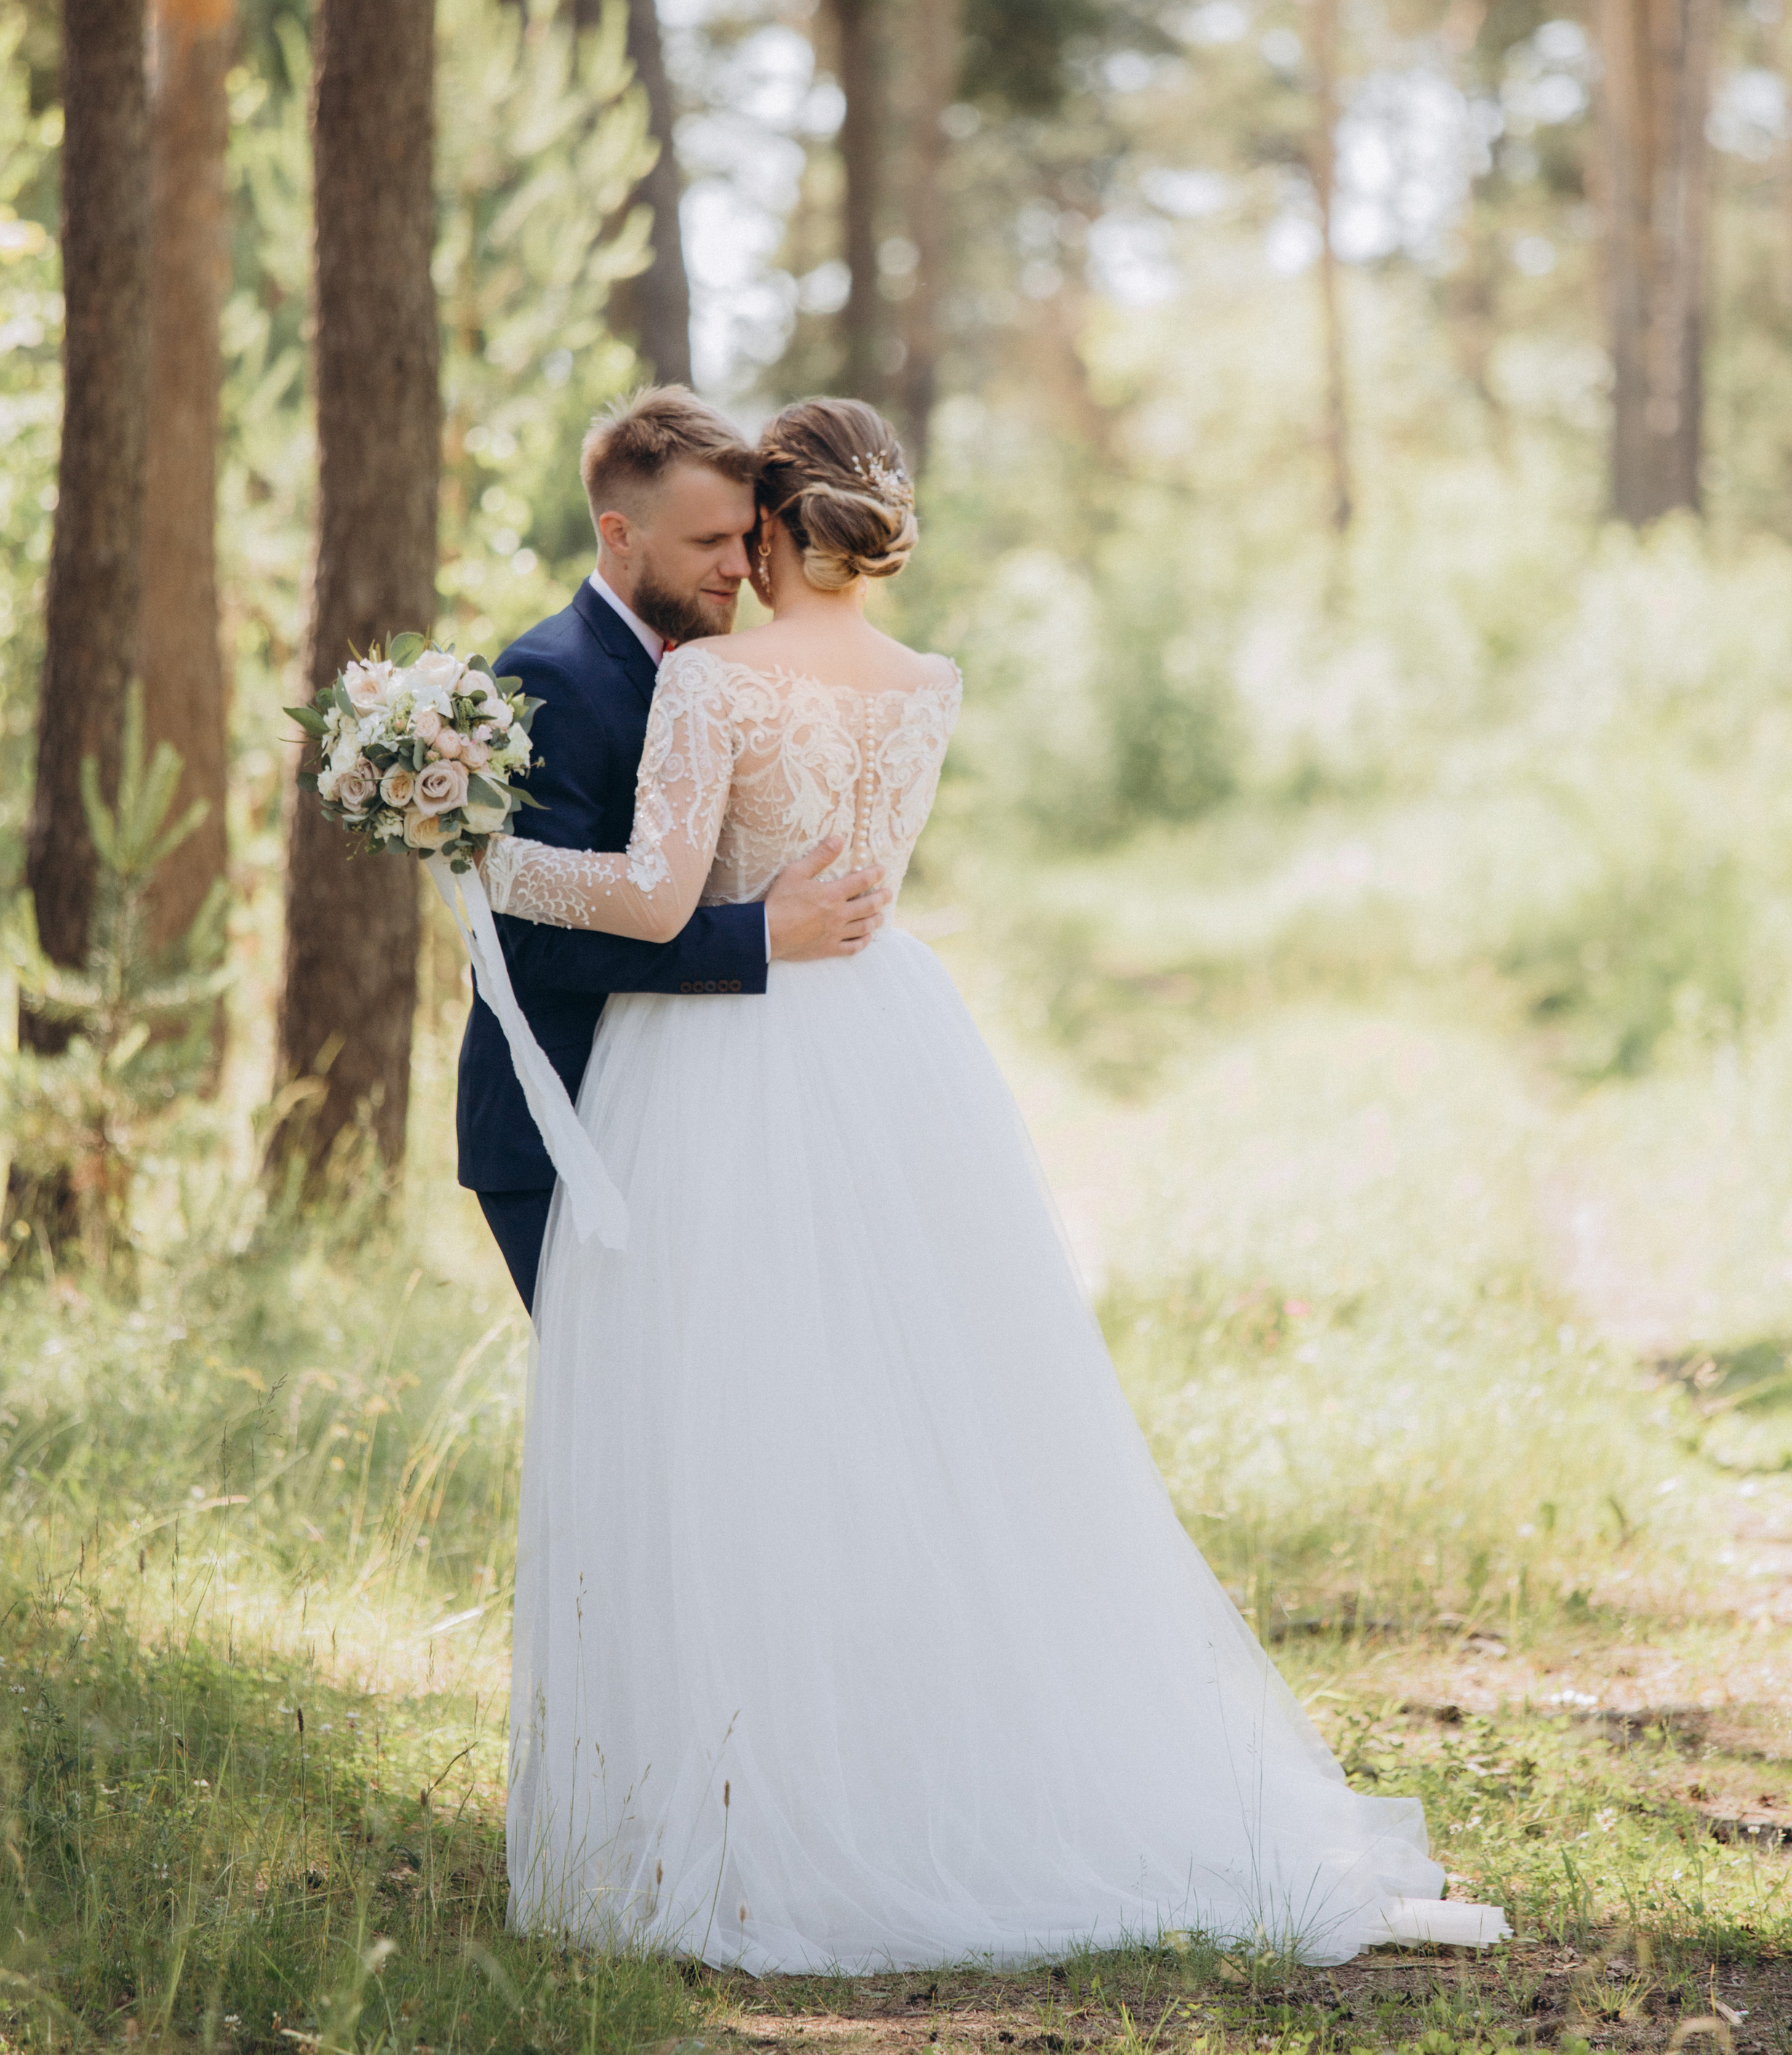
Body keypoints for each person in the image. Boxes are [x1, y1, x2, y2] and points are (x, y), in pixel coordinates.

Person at [483, 393, 1510, 1972]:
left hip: (724, 1069)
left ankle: (757, 1793)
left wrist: (483, 853)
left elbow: (648, 895)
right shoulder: (926, 684)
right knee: (915, 1408)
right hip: (888, 1048)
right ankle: (903, 1762)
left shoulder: (706, 683)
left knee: (726, 1424)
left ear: (768, 525)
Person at [455, 387, 889, 1312]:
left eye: (746, 536)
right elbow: (533, 943)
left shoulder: (726, 670)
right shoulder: (551, 677)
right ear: (619, 533)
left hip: (690, 1113)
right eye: (707, 545)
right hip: (565, 1122)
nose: (740, 567)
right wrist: (762, 936)